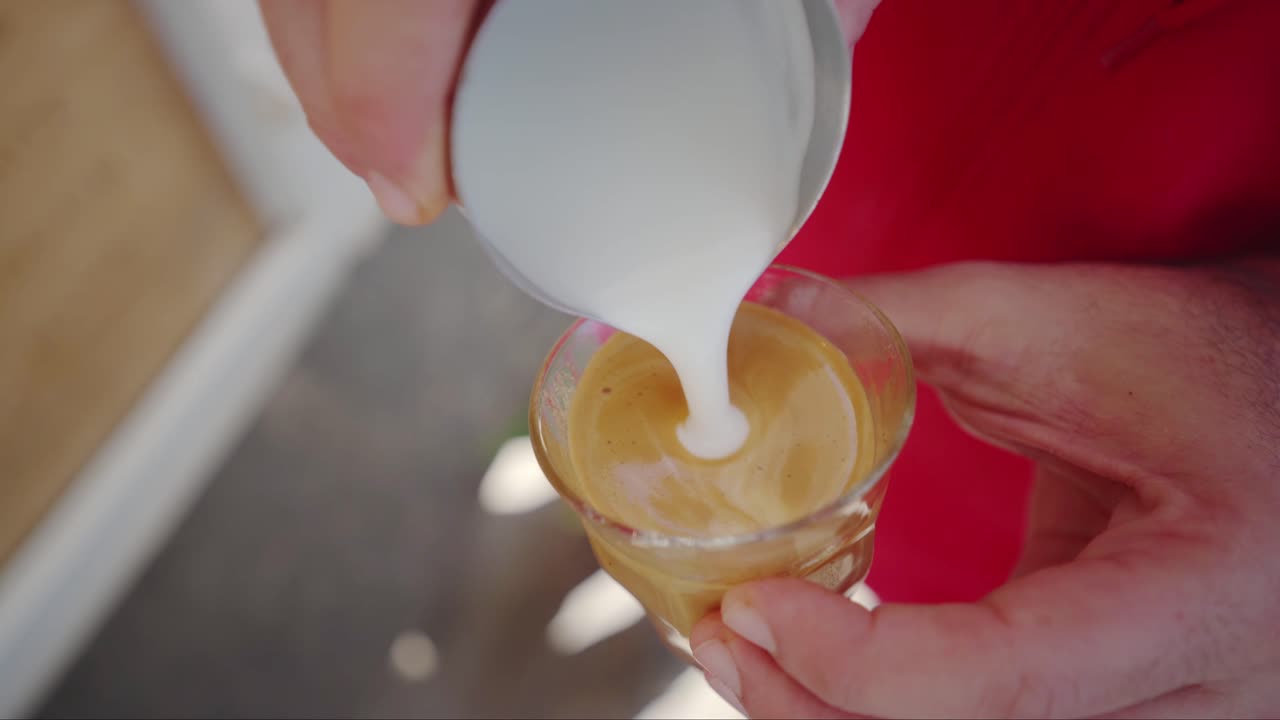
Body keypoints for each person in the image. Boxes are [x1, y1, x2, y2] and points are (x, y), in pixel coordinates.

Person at [261, 1, 1280, 716]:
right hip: (774, 137)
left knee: (855, 621)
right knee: (665, 542)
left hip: (1086, 458)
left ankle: (666, 618)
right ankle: (613, 574)